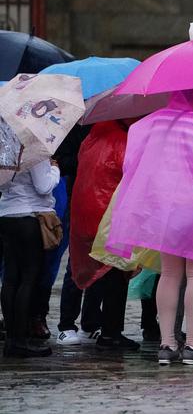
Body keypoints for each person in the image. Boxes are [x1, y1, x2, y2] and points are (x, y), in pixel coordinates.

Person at [106, 89, 193, 365]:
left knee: (169, 274)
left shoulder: (147, 125)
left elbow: (131, 165)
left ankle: (166, 344)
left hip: (161, 211)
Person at [68, 119, 140, 351]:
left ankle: (93, 323)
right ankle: (111, 332)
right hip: (109, 215)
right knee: (116, 273)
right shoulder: (123, 141)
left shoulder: (91, 138)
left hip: (86, 212)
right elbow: (132, 174)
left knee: (100, 272)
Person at [0, 159, 59, 357]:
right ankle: (20, 340)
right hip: (29, 215)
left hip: (7, 214)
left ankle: (11, 340)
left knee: (10, 279)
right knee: (28, 279)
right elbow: (43, 187)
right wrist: (54, 170)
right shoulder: (35, 150)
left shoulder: (6, 150)